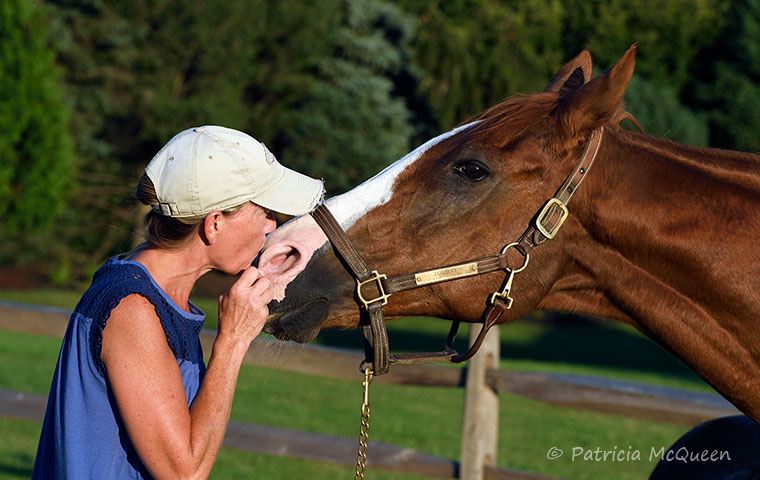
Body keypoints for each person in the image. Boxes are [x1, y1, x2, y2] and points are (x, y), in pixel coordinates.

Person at [32, 126, 324, 479]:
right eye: (264, 211)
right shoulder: (132, 308)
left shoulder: (147, 290)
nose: (271, 226)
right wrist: (232, 341)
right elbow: (184, 472)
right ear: (214, 223)